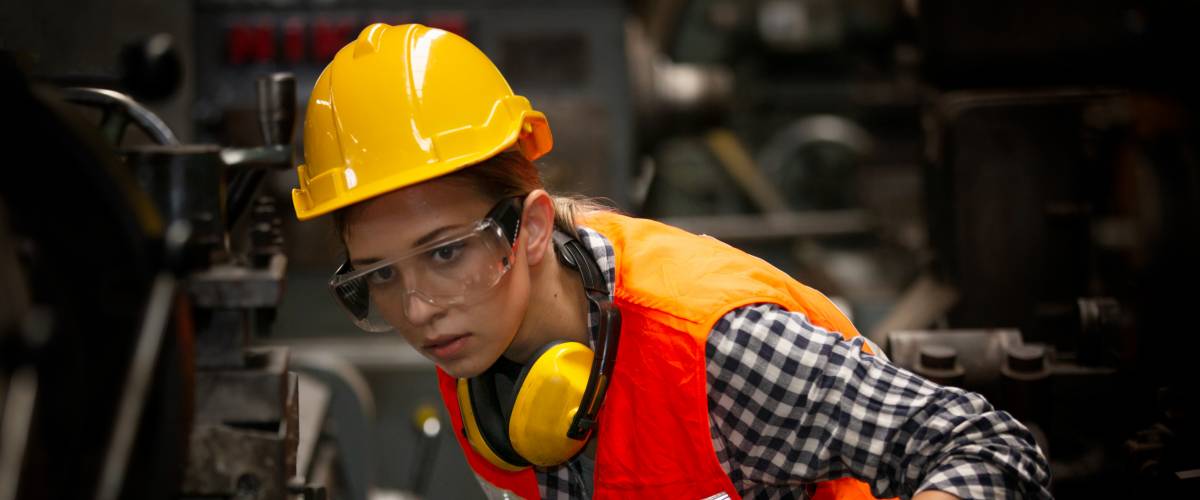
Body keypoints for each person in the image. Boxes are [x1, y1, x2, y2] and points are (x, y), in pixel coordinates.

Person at [291, 23, 1052, 500]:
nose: (417, 309)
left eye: (445, 252)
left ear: (527, 229)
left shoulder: (716, 350)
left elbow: (988, 448)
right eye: (380, 277)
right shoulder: (480, 359)